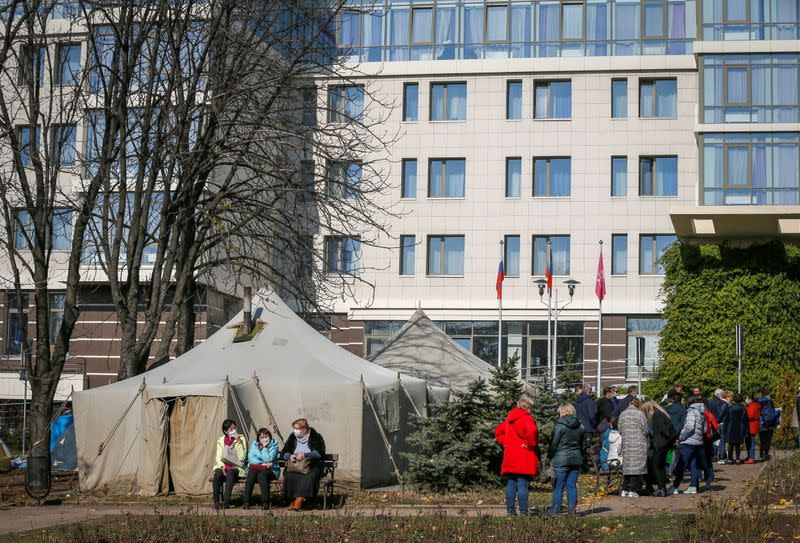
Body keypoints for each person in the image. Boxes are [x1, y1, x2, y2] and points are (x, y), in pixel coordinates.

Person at [495, 396, 539, 516]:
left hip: (510, 456)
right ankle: (524, 512)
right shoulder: (526, 419)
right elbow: (532, 432)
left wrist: (507, 443)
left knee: (511, 483)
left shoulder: (510, 419)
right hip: (523, 456)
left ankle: (511, 511)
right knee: (523, 483)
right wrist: (530, 445)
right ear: (528, 407)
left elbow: (498, 431)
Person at [548, 403, 586, 515]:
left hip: (561, 460)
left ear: (562, 412)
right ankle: (571, 511)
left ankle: (554, 512)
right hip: (576, 460)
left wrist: (550, 457)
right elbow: (583, 445)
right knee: (572, 486)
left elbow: (554, 444)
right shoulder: (581, 426)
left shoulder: (559, 426)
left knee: (558, 486)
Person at [281, 418, 326, 511]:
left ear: (304, 429)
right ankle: (292, 500)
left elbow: (319, 453)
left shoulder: (315, 437)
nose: (295, 431)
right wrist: (290, 456)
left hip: (313, 465)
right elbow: (284, 453)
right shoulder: (293, 437)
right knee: (289, 474)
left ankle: (300, 499)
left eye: (297, 428)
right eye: (294, 428)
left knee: (310, 475)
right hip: (295, 464)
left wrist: (305, 455)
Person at [671, 395, 706, 495]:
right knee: (693, 464)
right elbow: (704, 428)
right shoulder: (701, 412)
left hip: (689, 441)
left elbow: (690, 427)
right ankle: (693, 486)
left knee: (681, 465)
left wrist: (681, 436)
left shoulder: (691, 412)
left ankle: (675, 487)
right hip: (698, 441)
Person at [642, 400, 677, 497]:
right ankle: (662, 488)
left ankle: (661, 488)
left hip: (660, 444)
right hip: (664, 444)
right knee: (660, 467)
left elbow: (663, 429)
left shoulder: (656, 415)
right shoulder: (662, 414)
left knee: (656, 467)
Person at [212, 419, 247, 510]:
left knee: (231, 472)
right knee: (217, 473)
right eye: (231, 429)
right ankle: (216, 501)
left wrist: (238, 441)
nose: (234, 431)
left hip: (237, 467)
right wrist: (222, 466)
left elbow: (242, 457)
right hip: (224, 465)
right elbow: (218, 457)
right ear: (226, 431)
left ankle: (226, 502)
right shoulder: (221, 440)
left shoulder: (241, 438)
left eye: (235, 428)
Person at [243, 428, 280, 510]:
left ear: (270, 436)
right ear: (258, 438)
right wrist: (261, 464)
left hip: (272, 471)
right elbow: (250, 457)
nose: (264, 438)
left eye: (266, 436)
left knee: (262, 474)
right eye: (261, 437)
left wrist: (265, 447)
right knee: (251, 473)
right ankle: (246, 502)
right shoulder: (255, 444)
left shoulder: (274, 445)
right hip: (258, 468)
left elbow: (269, 459)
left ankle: (265, 502)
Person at [617, 398, 648, 497]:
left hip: (626, 442)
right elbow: (645, 430)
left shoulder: (622, 414)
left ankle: (624, 489)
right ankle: (633, 490)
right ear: (638, 405)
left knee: (627, 467)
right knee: (635, 468)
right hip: (638, 443)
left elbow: (620, 429)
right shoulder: (640, 414)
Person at [662, 390, 686, 478]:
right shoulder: (682, 408)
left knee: (668, 451)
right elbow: (683, 422)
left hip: (668, 431)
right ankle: (671, 471)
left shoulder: (667, 408)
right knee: (675, 453)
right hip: (677, 432)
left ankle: (667, 471)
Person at [722, 393, 748, 464]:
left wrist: (724, 429)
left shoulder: (730, 408)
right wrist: (746, 431)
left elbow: (726, 420)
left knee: (731, 444)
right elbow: (745, 420)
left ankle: (730, 459)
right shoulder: (743, 409)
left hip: (730, 428)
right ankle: (737, 459)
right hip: (740, 428)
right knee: (738, 445)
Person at [758, 392, 778, 461]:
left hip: (762, 424)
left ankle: (761, 455)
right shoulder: (771, 402)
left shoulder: (759, 402)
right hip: (770, 424)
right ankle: (766, 454)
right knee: (768, 440)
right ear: (767, 396)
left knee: (762, 440)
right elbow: (773, 413)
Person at [715, 391, 732, 464]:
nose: (732, 398)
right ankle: (721, 457)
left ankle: (719, 456)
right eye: (731, 397)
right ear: (727, 397)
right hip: (723, 424)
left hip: (721, 423)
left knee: (720, 441)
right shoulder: (724, 404)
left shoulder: (722, 403)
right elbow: (721, 414)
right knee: (722, 441)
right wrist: (718, 422)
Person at [744, 394, 761, 464]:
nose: (746, 400)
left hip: (751, 426)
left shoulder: (752, 406)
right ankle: (750, 456)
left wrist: (744, 417)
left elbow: (750, 416)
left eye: (747, 398)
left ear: (750, 399)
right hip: (753, 425)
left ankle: (751, 457)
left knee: (751, 442)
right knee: (749, 442)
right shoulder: (754, 405)